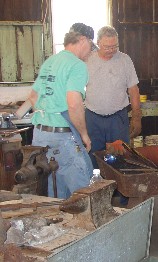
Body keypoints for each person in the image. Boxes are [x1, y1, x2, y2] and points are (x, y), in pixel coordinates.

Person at [28, 23, 95, 199]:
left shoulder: (50, 61)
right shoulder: (77, 65)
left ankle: (55, 226)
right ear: (82, 40)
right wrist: (84, 135)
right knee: (82, 194)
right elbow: (73, 104)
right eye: (90, 45)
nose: (89, 52)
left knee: (51, 191)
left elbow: (33, 97)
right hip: (63, 139)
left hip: (40, 136)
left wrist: (49, 115)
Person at [85, 25, 141, 206]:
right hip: (92, 117)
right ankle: (98, 197)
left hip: (118, 117)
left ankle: (124, 197)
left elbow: (133, 90)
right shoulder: (87, 60)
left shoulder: (125, 60)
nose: (111, 50)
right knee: (94, 158)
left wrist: (137, 117)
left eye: (114, 46)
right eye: (107, 47)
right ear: (98, 43)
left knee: (122, 157)